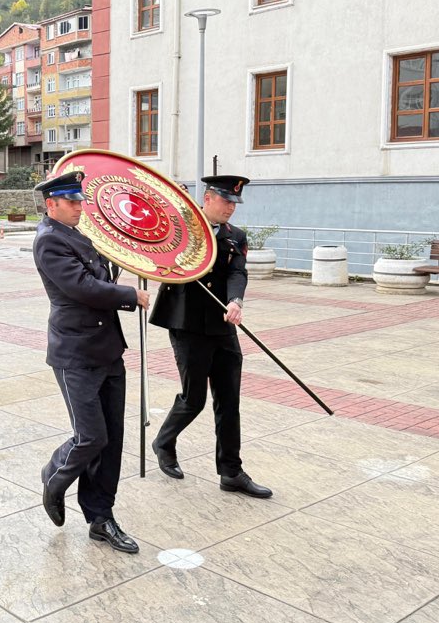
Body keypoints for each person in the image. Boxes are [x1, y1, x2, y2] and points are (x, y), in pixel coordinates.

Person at [33, 171, 148, 554]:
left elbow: (101, 274)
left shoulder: (79, 236)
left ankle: (101, 518)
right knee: (91, 436)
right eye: (72, 202)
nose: (81, 207)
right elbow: (83, 288)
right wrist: (129, 293)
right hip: (76, 353)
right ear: (52, 204)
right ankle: (55, 475)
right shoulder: (49, 241)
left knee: (111, 440)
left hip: (108, 350)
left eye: (81, 201)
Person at [149, 175, 272, 499]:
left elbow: (237, 272)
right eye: (226, 201)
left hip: (223, 327)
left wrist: (236, 301)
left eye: (235, 203)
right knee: (194, 399)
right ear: (207, 198)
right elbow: (159, 260)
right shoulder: (182, 231)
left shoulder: (235, 237)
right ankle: (163, 442)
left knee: (229, 401)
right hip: (188, 325)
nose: (231, 207)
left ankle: (231, 472)